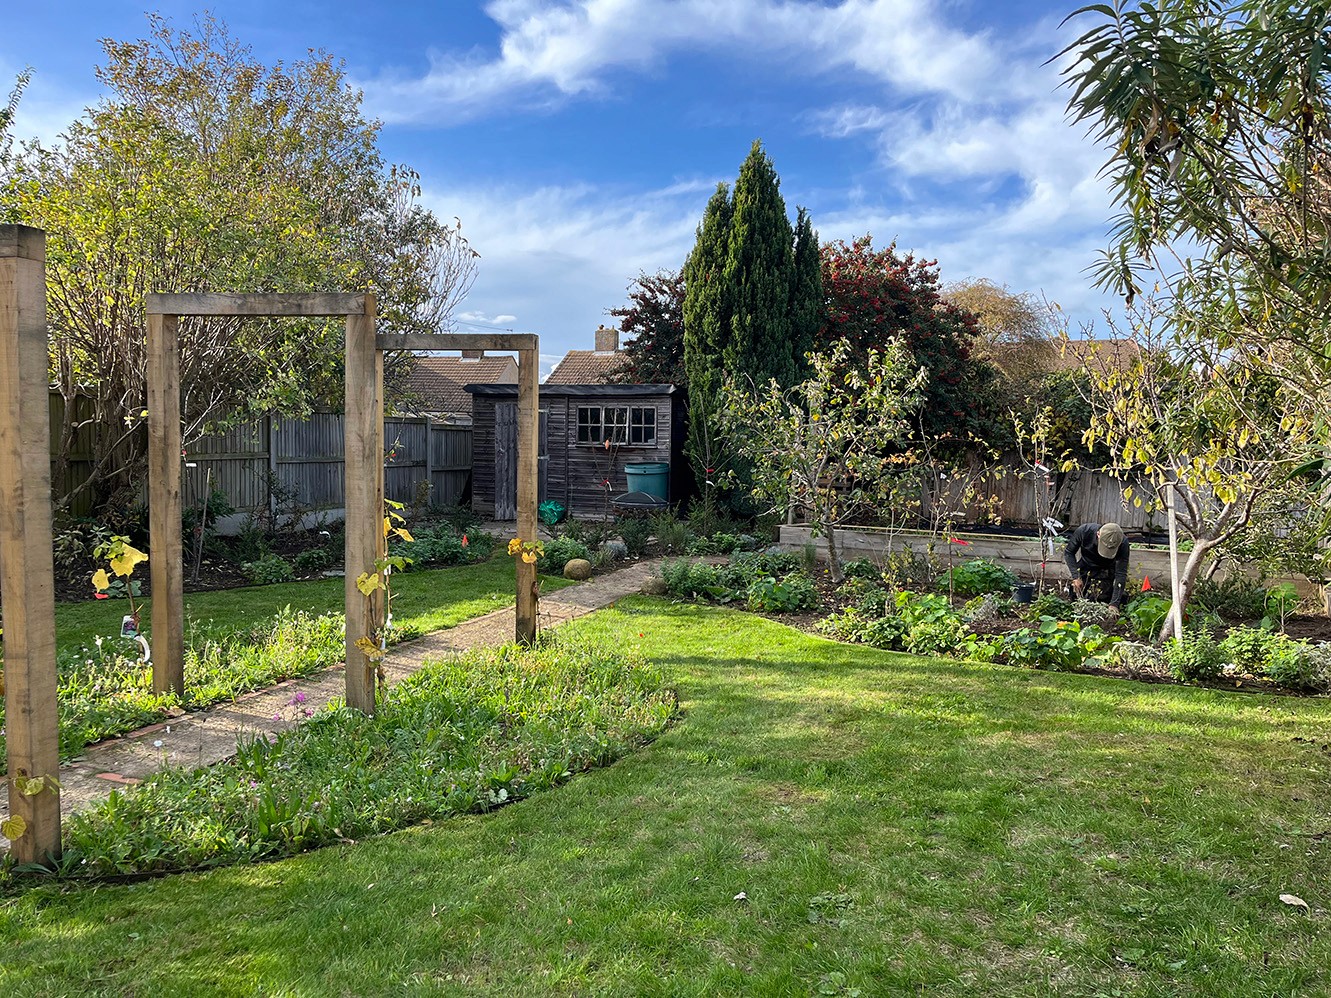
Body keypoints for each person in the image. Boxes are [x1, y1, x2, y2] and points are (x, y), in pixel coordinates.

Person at [1063, 521, 1130, 606]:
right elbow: (1069, 552)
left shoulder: (1123, 543)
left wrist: (1114, 604)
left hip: (1107, 569)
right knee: (1077, 595)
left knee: (1104, 598)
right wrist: (1076, 576)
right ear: (1098, 535)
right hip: (1086, 565)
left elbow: (1121, 573)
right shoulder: (1085, 531)